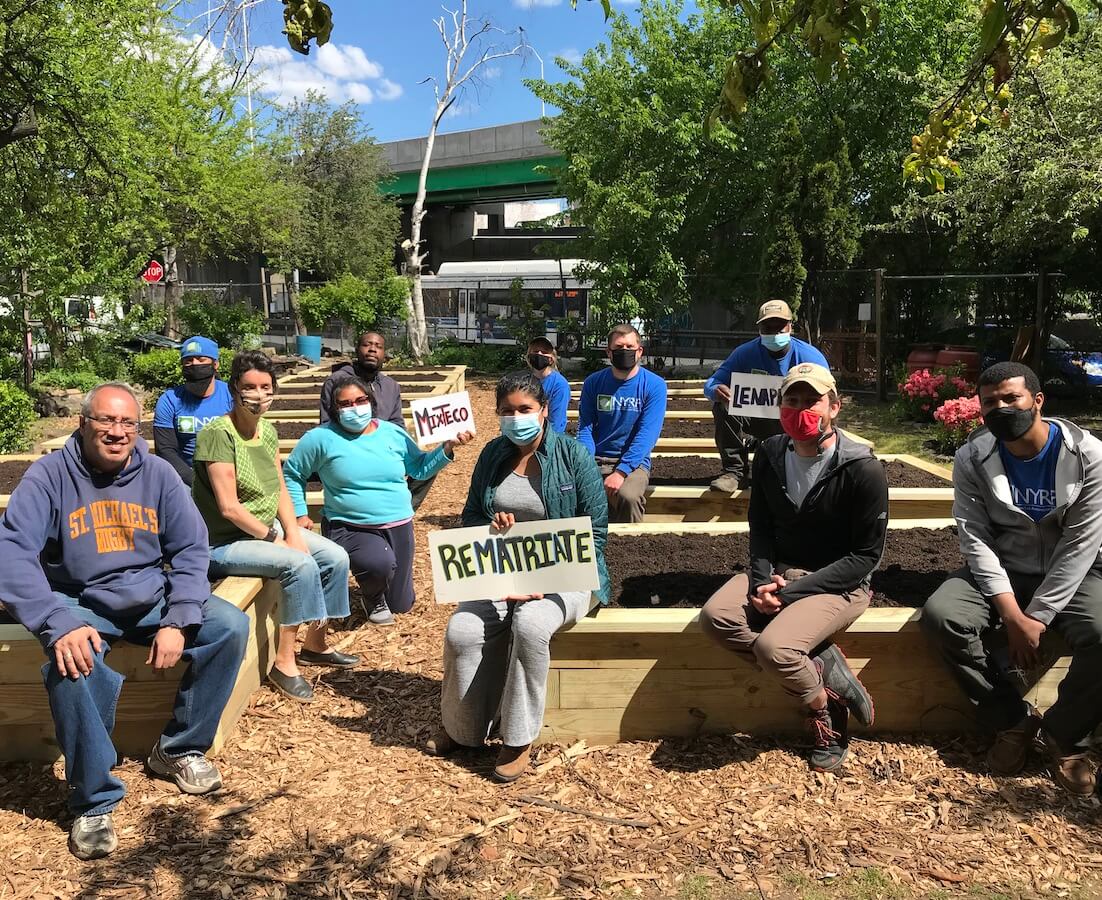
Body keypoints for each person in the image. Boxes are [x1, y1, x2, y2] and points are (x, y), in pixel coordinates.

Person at [0, 382, 249, 860]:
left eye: (127, 424)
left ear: (139, 429)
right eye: (106, 421)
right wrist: (56, 620)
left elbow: (192, 550)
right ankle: (93, 800)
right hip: (80, 601)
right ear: (83, 423)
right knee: (71, 667)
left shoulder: (157, 475)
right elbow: (11, 555)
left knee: (229, 626)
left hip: (151, 597)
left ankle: (177, 749)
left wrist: (178, 617)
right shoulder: (48, 476)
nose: (117, 433)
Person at [921, 362, 1102, 796]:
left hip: (1075, 572)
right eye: (990, 403)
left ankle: (1065, 733)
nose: (1001, 408)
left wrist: (1036, 617)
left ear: (1037, 401)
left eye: (1011, 399)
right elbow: (975, 537)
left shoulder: (1089, 456)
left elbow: (1081, 544)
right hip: (1005, 568)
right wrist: (1010, 613)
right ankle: (1011, 721)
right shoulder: (972, 457)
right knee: (942, 616)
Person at [700, 363, 885, 772]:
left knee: (775, 648)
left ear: (834, 407)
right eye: (792, 400)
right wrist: (763, 582)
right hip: (781, 571)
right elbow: (761, 526)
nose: (801, 409)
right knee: (717, 618)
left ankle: (826, 716)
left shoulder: (862, 469)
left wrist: (785, 594)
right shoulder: (769, 453)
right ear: (779, 406)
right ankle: (821, 680)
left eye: (812, 401)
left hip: (841, 583)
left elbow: (865, 557)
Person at [428, 371, 610, 782]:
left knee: (530, 624)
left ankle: (517, 737)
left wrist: (552, 579)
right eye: (507, 411)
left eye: (525, 410)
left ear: (544, 411)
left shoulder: (572, 455)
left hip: (567, 576)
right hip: (502, 570)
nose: (516, 418)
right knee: (463, 630)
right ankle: (464, 729)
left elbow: (595, 529)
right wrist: (491, 523)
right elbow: (470, 515)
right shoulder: (492, 454)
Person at [193, 351, 353, 705]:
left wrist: (293, 532)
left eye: (266, 387)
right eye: (250, 386)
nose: (258, 394)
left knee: (335, 557)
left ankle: (315, 644)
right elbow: (229, 508)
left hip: (266, 530)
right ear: (235, 387)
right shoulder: (218, 435)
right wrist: (277, 540)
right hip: (224, 542)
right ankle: (284, 663)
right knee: (299, 564)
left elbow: (279, 484)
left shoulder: (266, 429)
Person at [284, 378, 473, 626]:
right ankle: (372, 597)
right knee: (379, 564)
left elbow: (419, 468)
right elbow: (292, 473)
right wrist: (299, 513)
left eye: (361, 400)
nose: (354, 407)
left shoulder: (392, 432)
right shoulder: (320, 438)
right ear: (334, 409)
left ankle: (383, 589)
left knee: (401, 605)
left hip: (399, 523)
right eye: (345, 404)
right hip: (350, 525)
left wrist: (447, 448)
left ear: (371, 402)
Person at [703, 300, 829, 492]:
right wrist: (717, 390)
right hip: (760, 419)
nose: (774, 332)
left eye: (780, 326)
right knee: (722, 407)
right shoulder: (744, 354)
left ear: (790, 326)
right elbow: (711, 384)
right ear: (759, 328)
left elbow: (828, 397)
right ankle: (735, 472)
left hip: (798, 421)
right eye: (768, 327)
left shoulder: (810, 356)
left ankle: (814, 466)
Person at [318, 330, 436, 512]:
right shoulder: (337, 382)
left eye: (378, 347)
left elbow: (397, 425)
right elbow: (327, 426)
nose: (372, 350)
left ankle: (400, 509)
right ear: (356, 350)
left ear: (384, 355)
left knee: (429, 464)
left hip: (384, 451)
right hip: (350, 451)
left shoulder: (391, 387)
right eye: (367, 345)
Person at [576, 324, 668, 523]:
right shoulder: (593, 383)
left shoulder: (654, 385)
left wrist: (621, 471)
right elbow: (585, 429)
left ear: (640, 351)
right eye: (618, 348)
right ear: (608, 352)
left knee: (628, 497)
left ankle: (631, 545)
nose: (624, 351)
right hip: (597, 458)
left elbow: (647, 435)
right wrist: (586, 465)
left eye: (629, 347)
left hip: (633, 464)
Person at [153, 335, 233, 486]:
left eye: (201, 360)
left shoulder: (232, 396)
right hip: (187, 477)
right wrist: (197, 484)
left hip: (230, 472)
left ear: (215, 364)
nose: (194, 364)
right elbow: (166, 450)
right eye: (188, 361)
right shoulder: (170, 400)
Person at [525, 337, 570, 432]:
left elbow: (556, 423)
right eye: (536, 351)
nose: (539, 354)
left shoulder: (559, 385)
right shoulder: (522, 380)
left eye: (544, 352)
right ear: (529, 356)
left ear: (551, 359)